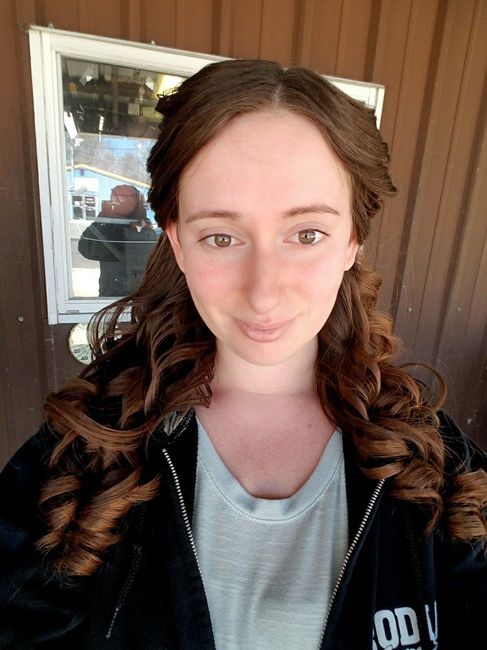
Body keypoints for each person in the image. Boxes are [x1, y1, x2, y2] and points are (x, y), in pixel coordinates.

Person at [0, 59, 486, 650]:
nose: (263, 292)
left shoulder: (438, 468)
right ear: (178, 243)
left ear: (351, 242)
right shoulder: (77, 459)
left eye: (306, 234)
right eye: (221, 237)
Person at [78, 184, 158, 297]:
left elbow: (86, 248)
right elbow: (85, 248)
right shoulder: (144, 228)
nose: (112, 204)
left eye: (115, 201)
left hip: (117, 292)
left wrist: (102, 219)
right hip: (134, 293)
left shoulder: (113, 230)